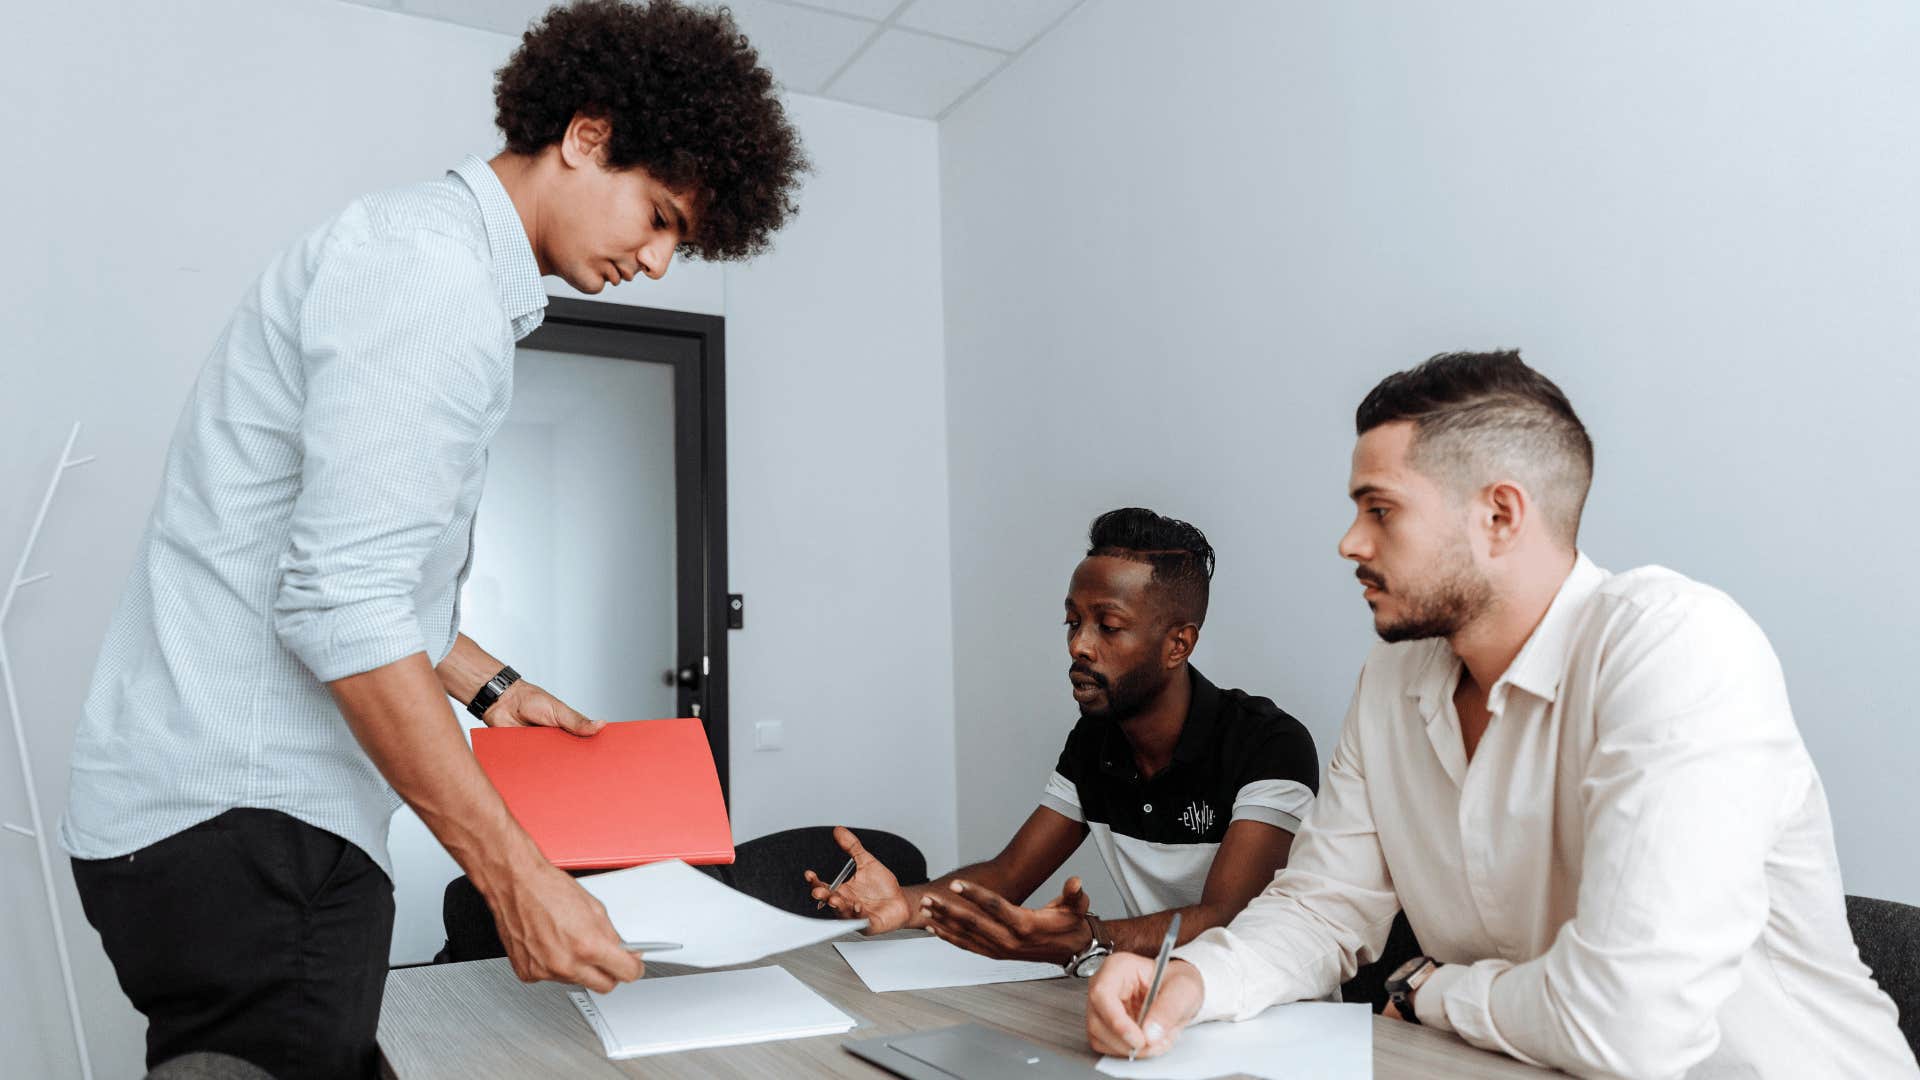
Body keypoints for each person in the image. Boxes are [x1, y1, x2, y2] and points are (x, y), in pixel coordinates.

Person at [58, 4, 806, 1077]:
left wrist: (490, 687)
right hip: (255, 826)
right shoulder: (434, 279)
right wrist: (515, 878)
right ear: (587, 137)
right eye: (658, 217)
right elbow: (343, 604)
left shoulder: (412, 256)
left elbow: (309, 552)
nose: (655, 262)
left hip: (199, 822)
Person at [1087, 352, 1917, 1078]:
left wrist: (1435, 989)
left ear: (1500, 515)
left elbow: (1627, 1025)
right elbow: (1320, 909)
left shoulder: (1677, 650)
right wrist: (1188, 985)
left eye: (1380, 509)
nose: (1350, 542)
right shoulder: (1393, 678)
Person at [808, 508, 1319, 976]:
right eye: (1072, 621)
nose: (1079, 644)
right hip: (1157, 997)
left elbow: (1229, 919)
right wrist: (907, 903)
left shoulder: (1268, 743)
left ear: (1177, 644)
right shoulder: (1096, 740)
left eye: (1109, 626)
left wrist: (1090, 938)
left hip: (1277, 1009)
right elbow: (1008, 873)